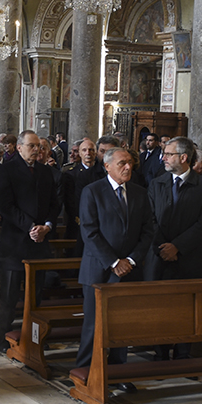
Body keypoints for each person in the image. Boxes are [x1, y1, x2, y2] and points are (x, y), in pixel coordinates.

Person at [75, 146, 154, 376]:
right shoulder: (93, 191)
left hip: (129, 270)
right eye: (122, 163)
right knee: (93, 325)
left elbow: (148, 231)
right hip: (98, 270)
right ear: (107, 166)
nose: (128, 167)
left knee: (121, 326)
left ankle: (117, 374)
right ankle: (85, 372)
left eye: (130, 162)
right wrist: (113, 262)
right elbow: (89, 232)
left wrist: (130, 260)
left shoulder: (139, 192)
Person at [145, 137, 202, 359]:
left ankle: (184, 353)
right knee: (159, 306)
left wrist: (177, 246)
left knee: (186, 307)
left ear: (183, 157)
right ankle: (160, 351)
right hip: (158, 257)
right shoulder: (157, 182)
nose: (163, 158)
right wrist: (163, 247)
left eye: (168, 154)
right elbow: (149, 219)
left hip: (189, 258)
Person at [0, 131, 59, 353]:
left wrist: (47, 226)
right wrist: (31, 227)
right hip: (15, 242)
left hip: (39, 243)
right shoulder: (6, 170)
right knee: (10, 296)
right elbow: (5, 205)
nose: (36, 150)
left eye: (39, 147)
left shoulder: (45, 172)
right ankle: (3, 337)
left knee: (35, 296)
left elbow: (54, 203)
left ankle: (34, 336)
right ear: (19, 147)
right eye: (31, 146)